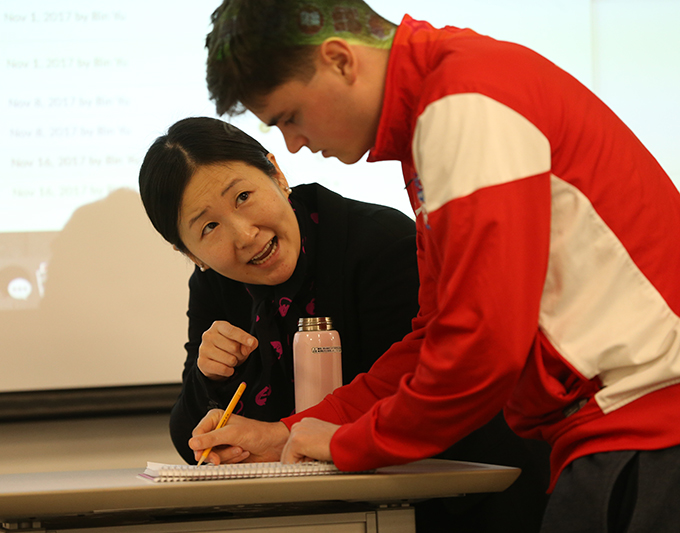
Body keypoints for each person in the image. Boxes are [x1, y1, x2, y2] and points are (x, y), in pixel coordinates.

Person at [189, 1, 680, 532]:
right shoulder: (440, 107)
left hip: (648, 429)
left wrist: (349, 442)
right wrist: (291, 432)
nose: (294, 144)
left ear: (340, 61)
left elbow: (480, 344)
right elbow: (434, 335)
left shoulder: (464, 103)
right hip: (620, 431)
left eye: (290, 117)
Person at [139, 116, 550, 532]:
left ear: (277, 174)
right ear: (191, 254)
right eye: (209, 227)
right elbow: (188, 441)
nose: (244, 235)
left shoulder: (380, 245)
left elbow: (411, 398)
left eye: (243, 196)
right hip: (327, 515)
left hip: (458, 503)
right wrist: (209, 378)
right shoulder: (217, 285)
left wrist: (281, 435)